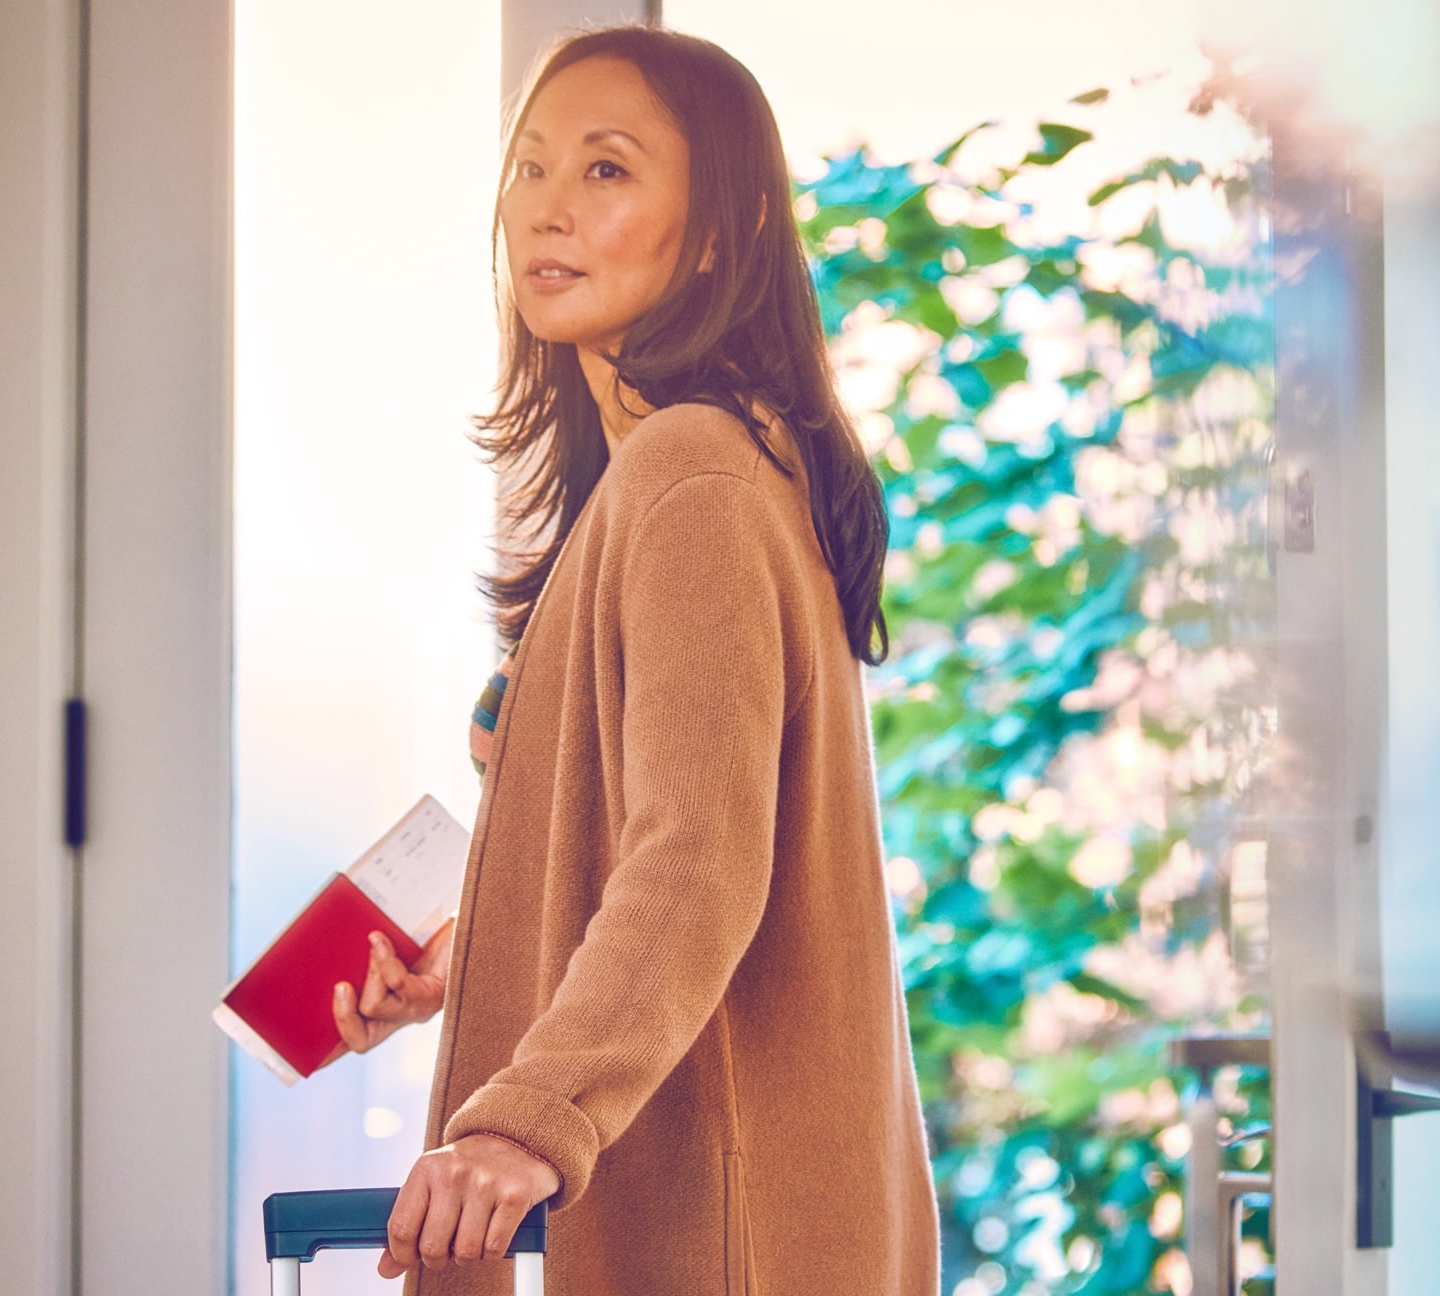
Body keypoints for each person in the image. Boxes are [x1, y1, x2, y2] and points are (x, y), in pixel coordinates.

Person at [328, 24, 937, 1295]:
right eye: (532, 168)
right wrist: (476, 954)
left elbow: (702, 853)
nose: (548, 210)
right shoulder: (682, 470)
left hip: (709, 1231)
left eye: (606, 171)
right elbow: (670, 826)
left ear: (720, 229)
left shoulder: (692, 475)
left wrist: (524, 1117)